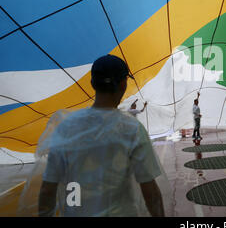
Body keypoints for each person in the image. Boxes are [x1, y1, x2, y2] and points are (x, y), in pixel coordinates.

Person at [38, 55, 165, 217]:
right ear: (123, 84)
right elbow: (151, 192)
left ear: (92, 84)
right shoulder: (132, 129)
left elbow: (48, 189)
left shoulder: (66, 127)